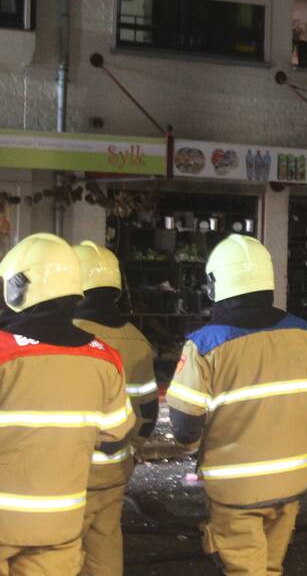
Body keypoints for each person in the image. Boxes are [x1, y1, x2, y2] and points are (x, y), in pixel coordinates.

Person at [166, 235, 307, 575]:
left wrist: (191, 449)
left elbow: (186, 425)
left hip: (235, 492)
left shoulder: (203, 346)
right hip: (291, 484)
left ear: (215, 285)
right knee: (271, 568)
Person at [0, 234, 134, 575]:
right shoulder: (106, 358)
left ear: (16, 289)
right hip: (60, 523)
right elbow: (116, 434)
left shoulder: (4, 351)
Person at [72, 240, 158, 576]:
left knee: (62, 553)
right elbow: (148, 414)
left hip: (70, 472)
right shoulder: (137, 340)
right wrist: (131, 449)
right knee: (105, 545)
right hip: (115, 467)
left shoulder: (65, 337)